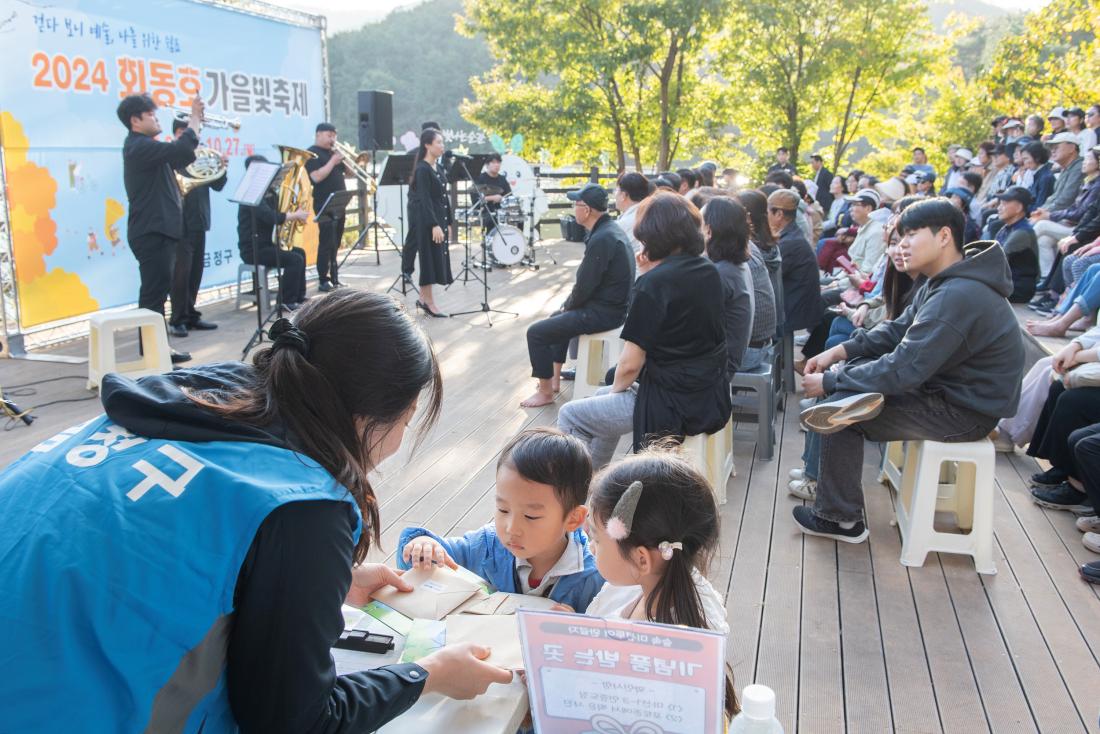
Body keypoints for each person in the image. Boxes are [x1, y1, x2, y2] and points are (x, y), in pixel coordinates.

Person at [0, 290, 514, 732]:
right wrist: (427, 675)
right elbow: (293, 721)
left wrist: (300, 583)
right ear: (366, 418)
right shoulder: (302, 506)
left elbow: (142, 548)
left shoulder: (177, 404)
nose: (400, 439)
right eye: (404, 420)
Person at [792, 198, 1024, 543]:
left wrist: (829, 379)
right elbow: (897, 330)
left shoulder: (959, 293)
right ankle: (833, 498)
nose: (901, 246)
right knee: (848, 386)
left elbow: (905, 369)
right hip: (947, 393)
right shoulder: (945, 281)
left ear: (944, 235)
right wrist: (839, 351)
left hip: (965, 411)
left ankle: (840, 519)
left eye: (910, 235)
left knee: (840, 413)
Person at [557, 192, 731, 468]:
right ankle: (598, 482)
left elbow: (629, 365)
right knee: (604, 397)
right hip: (706, 392)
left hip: (669, 400)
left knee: (571, 414)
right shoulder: (708, 270)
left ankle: (575, 492)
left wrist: (648, 276)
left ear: (653, 235)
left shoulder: (654, 285)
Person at [584, 450, 738, 719]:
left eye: (597, 539)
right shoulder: (658, 584)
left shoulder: (663, 651)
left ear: (641, 558)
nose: (590, 546)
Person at [397, 428, 605, 611]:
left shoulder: (593, 579)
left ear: (573, 518)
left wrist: (576, 626)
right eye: (503, 509)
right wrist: (422, 545)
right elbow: (436, 558)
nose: (512, 528)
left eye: (531, 516)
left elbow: (602, 637)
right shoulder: (487, 546)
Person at [521, 183, 634, 408]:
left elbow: (584, 287)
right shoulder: (607, 230)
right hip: (611, 307)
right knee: (557, 317)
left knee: (536, 333)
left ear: (587, 210)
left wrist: (569, 307)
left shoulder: (603, 238)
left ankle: (544, 393)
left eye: (576, 204)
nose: (574, 208)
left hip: (605, 313)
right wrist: (566, 307)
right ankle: (552, 381)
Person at [118, 93, 200, 364]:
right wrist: (195, 118)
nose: (156, 118)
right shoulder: (138, 146)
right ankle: (154, 352)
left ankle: (155, 349)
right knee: (154, 294)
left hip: (158, 230)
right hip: (152, 231)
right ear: (135, 120)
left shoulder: (145, 148)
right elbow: (180, 150)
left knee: (156, 292)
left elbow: (180, 157)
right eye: (151, 115)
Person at [168, 119, 226, 338]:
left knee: (195, 271)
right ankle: (177, 319)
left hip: (199, 220)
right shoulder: (173, 157)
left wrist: (222, 168)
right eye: (183, 132)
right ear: (176, 134)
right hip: (180, 223)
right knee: (181, 273)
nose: (188, 136)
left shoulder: (202, 157)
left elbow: (218, 185)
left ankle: (191, 314)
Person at [236, 155, 310, 309]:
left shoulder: (269, 194)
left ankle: (299, 297)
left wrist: (294, 210)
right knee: (294, 260)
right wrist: (294, 215)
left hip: (268, 245)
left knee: (300, 253)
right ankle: (285, 301)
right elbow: (270, 217)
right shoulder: (251, 194)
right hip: (254, 249)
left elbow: (279, 212)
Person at [401, 128, 453, 317]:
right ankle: (429, 302)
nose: (442, 146)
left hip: (438, 219)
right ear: (427, 145)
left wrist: (449, 221)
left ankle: (423, 299)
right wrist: (434, 224)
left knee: (434, 258)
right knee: (428, 260)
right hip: (427, 222)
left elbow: (442, 197)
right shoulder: (422, 169)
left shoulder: (437, 167)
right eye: (438, 142)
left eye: (442, 142)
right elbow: (424, 199)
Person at [701, 196, 754, 374]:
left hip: (718, 367)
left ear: (709, 230)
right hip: (728, 358)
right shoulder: (733, 265)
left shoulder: (719, 273)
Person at [768, 188, 823, 333]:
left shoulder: (790, 243)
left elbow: (768, 276)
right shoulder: (791, 234)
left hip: (792, 311)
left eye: (767, 211)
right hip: (793, 305)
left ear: (779, 214)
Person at [306, 122, 346, 292]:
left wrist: (344, 159)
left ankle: (335, 277)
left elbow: (349, 172)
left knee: (336, 241)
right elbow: (316, 177)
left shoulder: (332, 153)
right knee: (326, 241)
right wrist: (333, 161)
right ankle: (324, 279)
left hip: (339, 202)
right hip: (324, 202)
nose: (332, 139)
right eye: (329, 135)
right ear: (318, 134)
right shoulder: (312, 153)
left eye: (334, 135)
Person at [991, 185, 1039, 302]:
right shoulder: (1006, 228)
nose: (999, 208)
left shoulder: (1022, 232)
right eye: (1000, 203)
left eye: (1004, 203)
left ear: (1018, 208)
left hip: (1018, 288)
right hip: (1005, 283)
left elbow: (996, 261)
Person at [471, 152, 512, 231]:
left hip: (501, 211)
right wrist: (493, 198)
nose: (496, 165)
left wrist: (503, 199)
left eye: (498, 162)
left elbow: (509, 196)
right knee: (492, 219)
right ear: (487, 165)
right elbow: (475, 200)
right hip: (486, 211)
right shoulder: (480, 178)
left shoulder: (502, 179)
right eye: (493, 162)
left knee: (519, 217)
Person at [614, 171, 652, 254]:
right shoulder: (651, 212)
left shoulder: (622, 225)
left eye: (616, 190)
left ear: (623, 195)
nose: (615, 194)